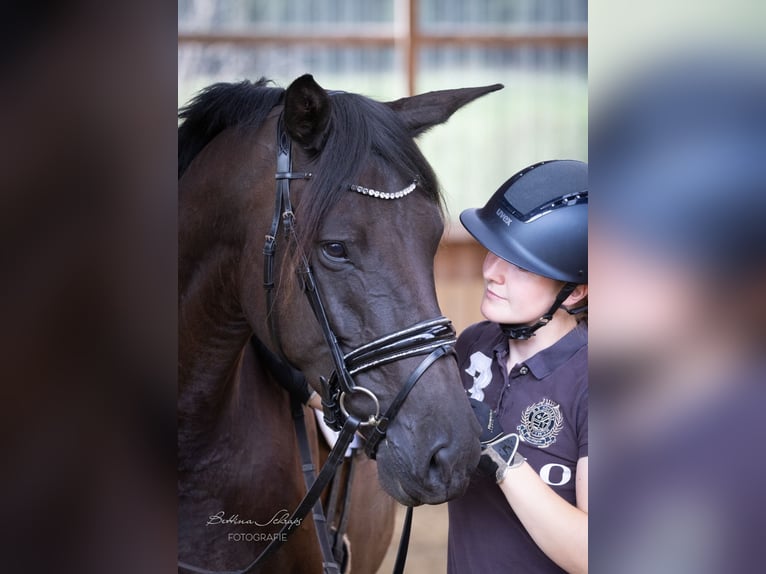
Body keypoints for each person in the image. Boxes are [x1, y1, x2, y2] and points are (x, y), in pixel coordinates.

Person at [448, 160, 588, 574]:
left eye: (522, 265)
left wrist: (501, 453)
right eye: (494, 252)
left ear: (576, 292)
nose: (491, 272)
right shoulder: (473, 345)